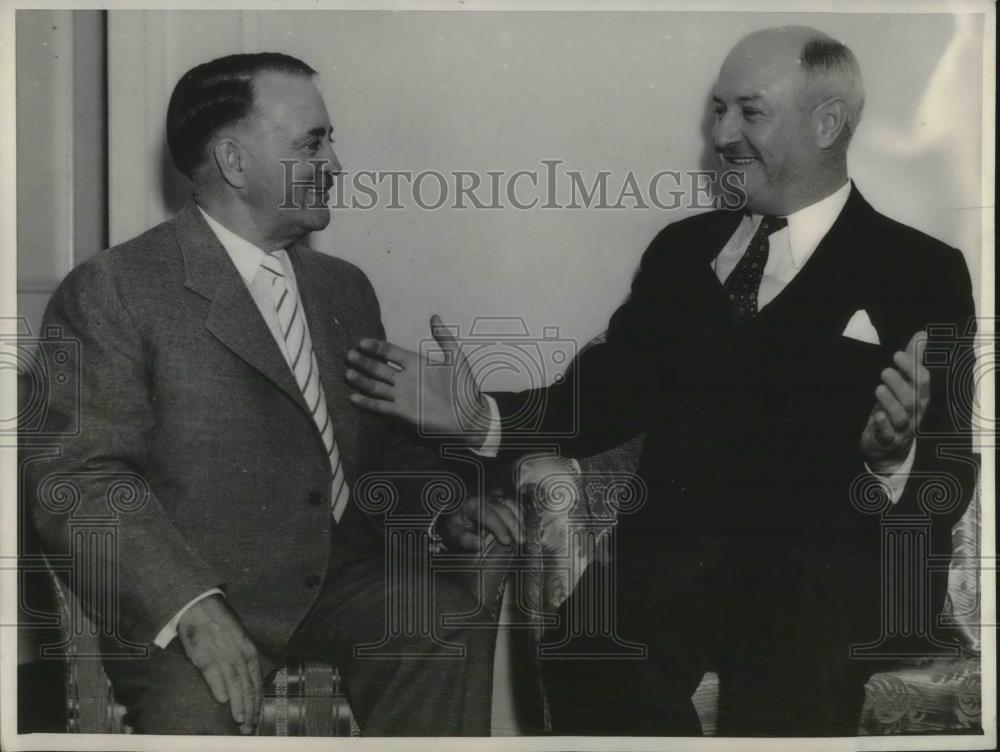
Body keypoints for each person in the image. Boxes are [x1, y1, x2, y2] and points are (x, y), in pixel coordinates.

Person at [345, 27, 977, 735]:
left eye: (749, 111)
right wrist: (477, 418)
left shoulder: (921, 269)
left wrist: (892, 459)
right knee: (585, 643)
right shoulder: (682, 253)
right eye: (717, 110)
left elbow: (949, 463)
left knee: (785, 654)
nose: (721, 135)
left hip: (840, 565)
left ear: (827, 123)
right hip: (683, 562)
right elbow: (595, 401)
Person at [28, 52, 519, 736]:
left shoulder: (342, 290)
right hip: (193, 590)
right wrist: (191, 605)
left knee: (444, 625)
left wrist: (443, 508)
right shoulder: (114, 288)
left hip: (337, 580)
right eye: (311, 143)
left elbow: (373, 455)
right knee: (195, 713)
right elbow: (79, 479)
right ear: (234, 161)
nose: (335, 165)